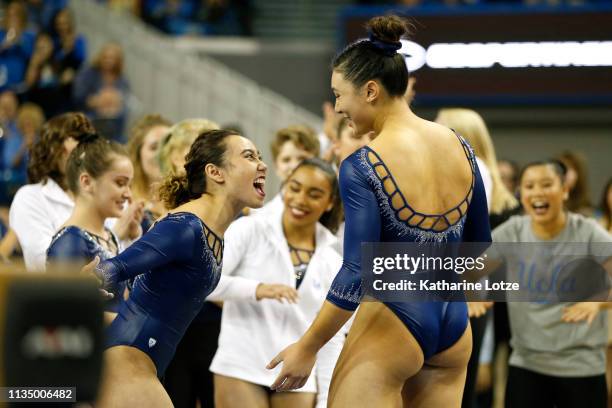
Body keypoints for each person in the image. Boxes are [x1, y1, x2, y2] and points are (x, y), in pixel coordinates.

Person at [266, 15, 491, 407]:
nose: (337, 108)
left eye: (339, 95)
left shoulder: (363, 164)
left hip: (395, 317)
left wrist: (308, 346)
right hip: (453, 324)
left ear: (370, 90)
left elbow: (358, 270)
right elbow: (479, 244)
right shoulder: (461, 147)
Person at [88, 129, 268, 407]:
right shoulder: (185, 227)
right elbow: (118, 268)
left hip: (140, 363)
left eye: (259, 157)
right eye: (249, 156)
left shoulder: (211, 232)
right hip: (127, 363)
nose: (262, 164)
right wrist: (87, 283)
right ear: (216, 172)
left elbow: (147, 296)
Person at [209, 158, 345, 408]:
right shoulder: (250, 229)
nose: (300, 200)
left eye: (314, 194)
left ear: (330, 203)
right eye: (294, 188)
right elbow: (207, 284)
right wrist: (257, 289)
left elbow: (331, 336)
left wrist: (326, 399)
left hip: (297, 373)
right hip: (241, 364)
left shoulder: (334, 258)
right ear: (284, 187)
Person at [492, 160, 612, 408]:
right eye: (529, 186)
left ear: (565, 190)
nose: (537, 192)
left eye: (547, 185)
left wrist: (598, 303)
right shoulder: (513, 232)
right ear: (521, 194)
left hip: (582, 364)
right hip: (526, 362)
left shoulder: (587, 232)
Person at [9, 112, 141, 272]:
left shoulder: (108, 190)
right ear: (52, 150)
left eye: (85, 143)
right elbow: (42, 263)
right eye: (72, 146)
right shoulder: (30, 196)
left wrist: (131, 239)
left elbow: (125, 274)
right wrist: (118, 233)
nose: (80, 154)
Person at [46, 134, 134, 315]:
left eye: (129, 185)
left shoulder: (109, 235)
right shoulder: (69, 243)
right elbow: (60, 318)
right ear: (87, 182)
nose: (128, 194)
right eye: (120, 183)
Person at [251, 125, 319, 216]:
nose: (294, 166)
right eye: (286, 160)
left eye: (302, 158)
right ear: (276, 166)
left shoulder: (330, 210)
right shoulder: (261, 216)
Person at [127, 114, 172, 232]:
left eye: (168, 147)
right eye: (154, 147)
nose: (162, 154)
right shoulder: (123, 202)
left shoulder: (188, 202)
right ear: (137, 154)